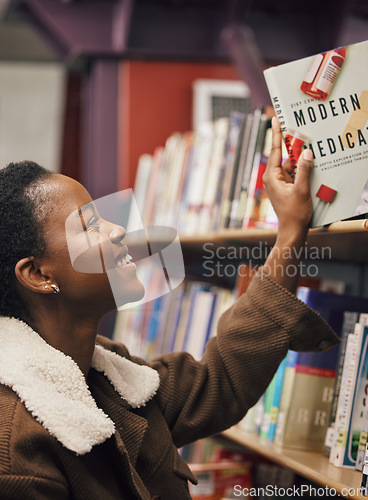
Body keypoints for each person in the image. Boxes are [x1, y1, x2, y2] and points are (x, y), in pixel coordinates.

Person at [0, 118, 339, 499]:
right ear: (37, 274)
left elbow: (220, 379)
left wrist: (290, 230)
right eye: (90, 225)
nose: (116, 230)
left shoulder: (107, 374)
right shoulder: (16, 453)